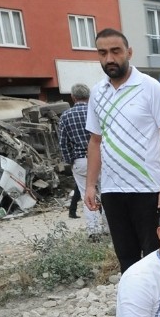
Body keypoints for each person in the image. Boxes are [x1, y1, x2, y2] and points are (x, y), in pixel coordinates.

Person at [85, 28, 160, 274]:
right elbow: (95, 141)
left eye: (115, 51)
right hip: (112, 191)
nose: (109, 58)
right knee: (126, 260)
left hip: (147, 190)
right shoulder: (97, 92)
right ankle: (134, 299)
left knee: (155, 257)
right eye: (103, 53)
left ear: (129, 52)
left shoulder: (150, 87)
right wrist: (90, 185)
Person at [58, 83, 108, 241]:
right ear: (89, 96)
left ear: (73, 97)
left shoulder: (66, 116)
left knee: (87, 194)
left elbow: (63, 143)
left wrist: (70, 161)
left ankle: (94, 231)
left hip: (80, 160)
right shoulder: (97, 111)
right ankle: (110, 228)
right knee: (106, 194)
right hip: (102, 158)